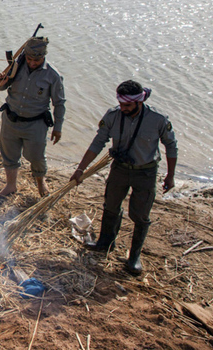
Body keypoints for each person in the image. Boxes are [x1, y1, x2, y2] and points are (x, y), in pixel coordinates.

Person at [70, 80, 178, 276]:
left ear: (139, 102)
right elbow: (98, 142)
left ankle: (134, 257)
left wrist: (170, 176)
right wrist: (80, 169)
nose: (123, 108)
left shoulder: (158, 119)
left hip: (145, 172)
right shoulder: (113, 116)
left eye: (127, 105)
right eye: (121, 104)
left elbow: (171, 146)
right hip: (119, 169)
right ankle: (105, 243)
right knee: (111, 206)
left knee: (140, 215)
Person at [0, 37, 66, 197]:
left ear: (44, 57)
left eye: (37, 60)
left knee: (37, 156)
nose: (32, 63)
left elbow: (59, 103)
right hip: (11, 119)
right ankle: (11, 185)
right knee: (9, 153)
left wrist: (58, 128)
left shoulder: (53, 75)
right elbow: (1, 87)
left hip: (35, 124)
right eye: (29, 59)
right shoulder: (16, 67)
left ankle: (41, 183)